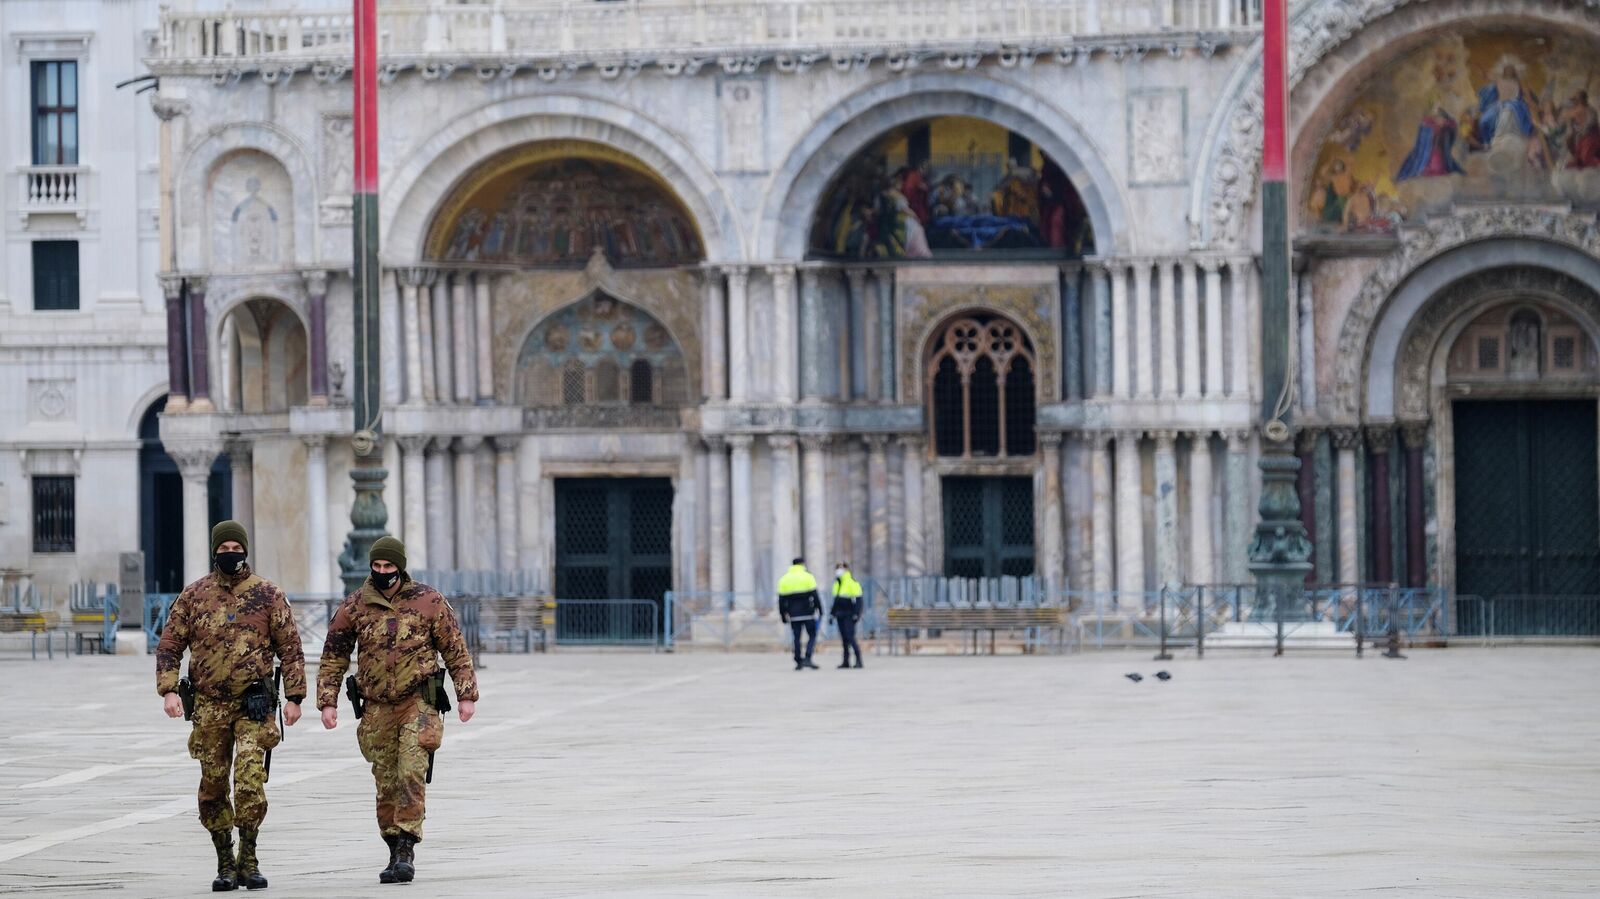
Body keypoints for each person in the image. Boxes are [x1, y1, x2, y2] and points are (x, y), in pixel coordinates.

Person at [317, 536, 479, 885]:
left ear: (400, 567)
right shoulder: (356, 605)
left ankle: (407, 847)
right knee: (385, 779)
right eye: (377, 566)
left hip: (417, 701)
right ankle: (392, 846)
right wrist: (327, 701)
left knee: (411, 770)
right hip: (376, 707)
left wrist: (467, 695)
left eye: (389, 567)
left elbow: (455, 650)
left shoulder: (428, 600)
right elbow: (333, 656)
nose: (382, 572)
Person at [156, 520, 306, 892]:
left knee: (250, 780)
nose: (230, 555)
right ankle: (225, 859)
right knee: (212, 786)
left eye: (235, 548)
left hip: (254, 705)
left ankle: (249, 858)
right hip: (208, 706)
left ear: (246, 550)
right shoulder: (194, 596)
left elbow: (290, 648)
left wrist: (295, 697)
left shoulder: (268, 594)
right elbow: (170, 645)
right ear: (214, 552)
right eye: (223, 550)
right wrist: (169, 690)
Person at [777, 557, 822, 671]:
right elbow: (815, 595)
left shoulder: (784, 579)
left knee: (796, 637)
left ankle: (798, 660)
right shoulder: (808, 576)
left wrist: (783, 614)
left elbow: (781, 600)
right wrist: (820, 609)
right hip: (808, 612)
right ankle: (808, 657)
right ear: (802, 564)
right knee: (812, 635)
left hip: (793, 614)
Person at [830, 562, 865, 669]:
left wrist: (856, 614)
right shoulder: (837, 583)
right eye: (837, 568)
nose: (838, 571)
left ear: (846, 570)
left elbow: (858, 601)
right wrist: (832, 614)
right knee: (844, 639)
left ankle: (858, 660)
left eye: (841, 568)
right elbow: (836, 601)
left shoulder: (852, 582)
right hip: (840, 615)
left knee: (850, 637)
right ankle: (846, 661)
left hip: (849, 615)